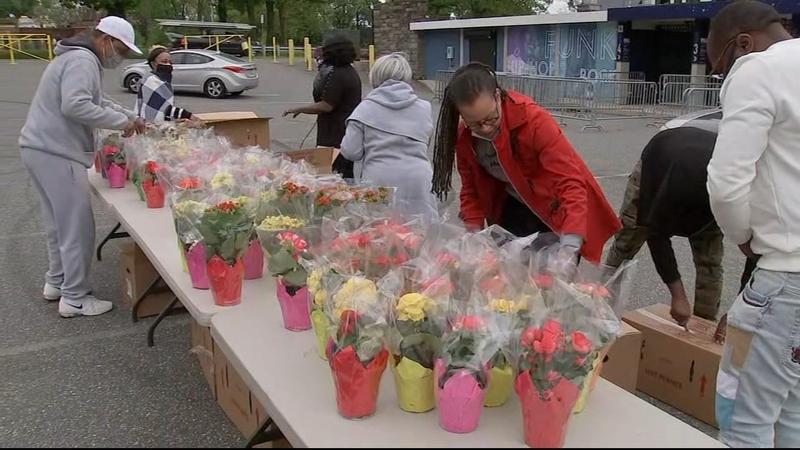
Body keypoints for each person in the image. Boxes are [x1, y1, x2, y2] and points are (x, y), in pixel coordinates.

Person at [705, 1, 799, 447]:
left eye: (721, 67)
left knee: (744, 421)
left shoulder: (759, 70)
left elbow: (726, 184)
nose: (723, 77)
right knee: (792, 416)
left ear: (743, 43)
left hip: (785, 279)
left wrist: (743, 237)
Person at [430, 62, 620, 264]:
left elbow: (569, 182)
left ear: (497, 96)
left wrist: (570, 246)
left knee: (554, 277)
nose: (485, 129)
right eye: (474, 124)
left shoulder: (534, 120)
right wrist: (473, 236)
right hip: (511, 210)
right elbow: (472, 190)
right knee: (511, 277)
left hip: (554, 210)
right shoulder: (465, 138)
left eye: (491, 118)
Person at [18, 16, 145, 318]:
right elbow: (75, 105)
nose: (120, 57)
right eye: (121, 50)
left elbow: (98, 100)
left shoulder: (76, 57)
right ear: (105, 40)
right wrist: (123, 123)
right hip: (57, 151)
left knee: (58, 224)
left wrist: (129, 116)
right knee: (77, 228)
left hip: (38, 147)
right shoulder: (82, 60)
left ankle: (57, 281)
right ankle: (75, 297)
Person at [340, 53, 438, 218]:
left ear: (375, 76)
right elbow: (425, 140)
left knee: (382, 229)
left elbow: (351, 152)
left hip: (380, 179)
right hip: (419, 178)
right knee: (420, 228)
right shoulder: (424, 108)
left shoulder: (364, 109)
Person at [283, 35, 362, 179]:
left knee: (334, 174)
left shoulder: (338, 75)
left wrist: (300, 109)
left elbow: (327, 105)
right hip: (344, 131)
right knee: (342, 172)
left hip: (335, 133)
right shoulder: (349, 72)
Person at [136, 47, 201, 124]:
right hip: (150, 124)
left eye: (170, 62)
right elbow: (164, 108)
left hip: (157, 124)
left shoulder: (163, 82)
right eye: (164, 61)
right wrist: (188, 115)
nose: (168, 65)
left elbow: (166, 110)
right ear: (153, 64)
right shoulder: (151, 80)